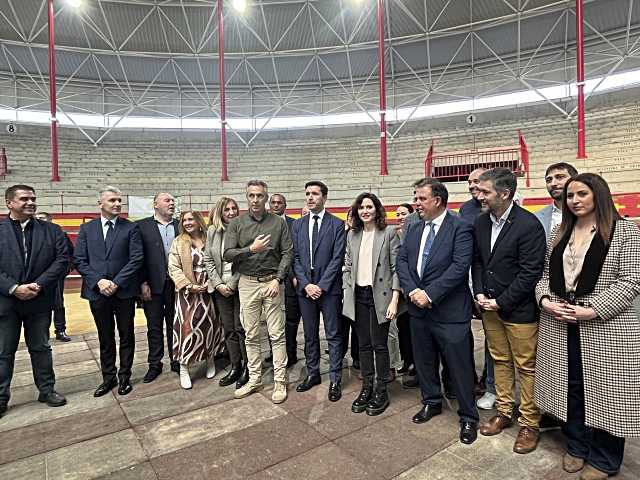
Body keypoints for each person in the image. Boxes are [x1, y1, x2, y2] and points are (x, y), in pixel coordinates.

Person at [535, 173, 640, 480]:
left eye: (581, 194)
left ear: (598, 195)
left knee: (607, 393)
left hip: (606, 328)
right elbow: (543, 277)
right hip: (560, 323)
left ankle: (606, 459)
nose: (575, 200)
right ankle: (577, 446)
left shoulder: (623, 231)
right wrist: (545, 302)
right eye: (570, 196)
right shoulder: (558, 233)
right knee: (571, 388)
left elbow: (631, 280)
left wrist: (592, 310)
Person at [396, 178, 480, 445]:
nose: (416, 203)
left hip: (449, 311)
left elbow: (459, 266)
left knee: (459, 366)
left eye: (421, 198)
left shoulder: (461, 227)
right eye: (415, 198)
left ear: (438, 200)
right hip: (418, 311)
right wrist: (412, 292)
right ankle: (431, 401)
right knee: (424, 361)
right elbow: (402, 261)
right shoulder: (413, 227)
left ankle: (468, 416)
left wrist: (429, 294)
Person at [472, 168, 546, 454]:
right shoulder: (481, 223)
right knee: (500, 360)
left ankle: (529, 423)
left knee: (527, 367)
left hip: (519, 310)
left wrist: (501, 301)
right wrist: (479, 292)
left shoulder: (528, 225)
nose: (479, 196)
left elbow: (530, 274)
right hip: (488, 306)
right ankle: (504, 410)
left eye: (485, 192)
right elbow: (478, 262)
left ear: (504, 194)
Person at [0, 185, 69, 417]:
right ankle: (1, 397)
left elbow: (62, 260)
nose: (30, 202)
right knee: (3, 352)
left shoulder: (52, 230)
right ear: (9, 203)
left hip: (39, 301)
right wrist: (14, 288)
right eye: (24, 199)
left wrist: (38, 285)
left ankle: (47, 390)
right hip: (6, 302)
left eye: (33, 199)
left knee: (40, 348)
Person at [223, 180, 293, 404]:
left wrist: (278, 279)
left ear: (266, 197)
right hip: (247, 283)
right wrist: (250, 249)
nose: (255, 200)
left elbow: (288, 253)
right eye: (251, 195)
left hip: (272, 282)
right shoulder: (237, 224)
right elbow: (227, 254)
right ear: (247, 197)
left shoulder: (278, 223)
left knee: (277, 335)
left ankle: (280, 381)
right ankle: (255, 379)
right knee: (251, 334)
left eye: (260, 196)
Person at [75, 186, 143, 397]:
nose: (117, 204)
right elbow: (79, 260)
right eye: (112, 200)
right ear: (100, 204)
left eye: (119, 200)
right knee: (105, 337)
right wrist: (99, 282)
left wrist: (116, 282)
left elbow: (136, 258)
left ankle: (125, 377)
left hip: (123, 292)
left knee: (126, 335)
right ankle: (108, 378)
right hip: (97, 293)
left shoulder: (130, 228)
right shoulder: (87, 229)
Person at [343, 193, 401, 416]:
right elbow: (347, 265)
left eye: (369, 206)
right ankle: (366, 387)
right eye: (361, 207)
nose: (365, 211)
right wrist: (346, 289)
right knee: (363, 346)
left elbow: (396, 269)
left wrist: (395, 300)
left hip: (381, 297)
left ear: (377, 209)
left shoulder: (388, 233)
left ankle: (381, 390)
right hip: (358, 296)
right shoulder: (352, 235)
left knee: (380, 345)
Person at [291, 181, 345, 401]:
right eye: (307, 194)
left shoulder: (336, 225)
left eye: (314, 194)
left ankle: (335, 379)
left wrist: (321, 286)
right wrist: (306, 284)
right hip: (306, 289)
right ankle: (313, 373)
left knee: (333, 334)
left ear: (324, 197)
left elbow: (337, 258)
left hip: (328, 289)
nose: (310, 197)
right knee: (310, 335)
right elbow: (295, 258)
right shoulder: (298, 225)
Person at [168, 210, 224, 389]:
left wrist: (211, 283)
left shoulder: (210, 238)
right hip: (187, 293)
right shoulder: (179, 242)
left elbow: (219, 262)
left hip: (209, 289)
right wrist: (188, 285)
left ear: (199, 221)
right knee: (186, 329)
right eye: (184, 220)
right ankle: (184, 367)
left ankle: (209, 360)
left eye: (191, 219)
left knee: (209, 326)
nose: (187, 223)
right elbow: (173, 268)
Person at [204, 197, 248, 389]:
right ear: (220, 213)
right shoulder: (213, 232)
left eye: (234, 209)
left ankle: (249, 367)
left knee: (242, 329)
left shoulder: (244, 230)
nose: (231, 212)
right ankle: (235, 366)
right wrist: (219, 283)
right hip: (220, 287)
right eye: (227, 210)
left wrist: (231, 283)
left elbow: (246, 259)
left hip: (240, 286)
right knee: (229, 329)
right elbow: (208, 259)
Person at [137, 193, 181, 382]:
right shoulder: (141, 226)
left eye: (173, 201)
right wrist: (142, 282)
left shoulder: (181, 225)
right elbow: (137, 257)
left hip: (177, 285)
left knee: (175, 325)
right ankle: (155, 364)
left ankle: (176, 360)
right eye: (167, 200)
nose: (171, 203)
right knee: (153, 327)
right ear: (155, 205)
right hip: (152, 285)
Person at [270, 193, 301, 368]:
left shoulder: (294, 224)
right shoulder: (263, 224)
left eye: (279, 203)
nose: (276, 205)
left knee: (290, 319)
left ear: (285, 205)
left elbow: (296, 252)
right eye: (273, 202)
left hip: (289, 279)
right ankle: (274, 353)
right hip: (268, 278)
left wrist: (294, 275)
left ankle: (290, 353)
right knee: (271, 317)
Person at [35, 211, 73, 342]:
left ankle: (60, 330)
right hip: (37, 277)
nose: (38, 220)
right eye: (36, 218)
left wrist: (66, 270)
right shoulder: (31, 235)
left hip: (56, 277)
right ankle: (41, 333)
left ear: (50, 220)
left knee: (58, 303)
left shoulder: (60, 234)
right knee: (38, 305)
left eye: (41, 218)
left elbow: (70, 254)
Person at [394, 204, 415, 377]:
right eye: (398, 214)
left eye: (404, 214)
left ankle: (415, 364)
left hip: (412, 289)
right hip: (398, 290)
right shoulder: (393, 234)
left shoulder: (413, 231)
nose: (401, 217)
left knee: (412, 329)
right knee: (401, 329)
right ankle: (406, 360)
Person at [536, 162, 578, 239]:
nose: (553, 183)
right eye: (548, 180)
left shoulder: (593, 214)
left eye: (560, 177)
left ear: (575, 180)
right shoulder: (536, 217)